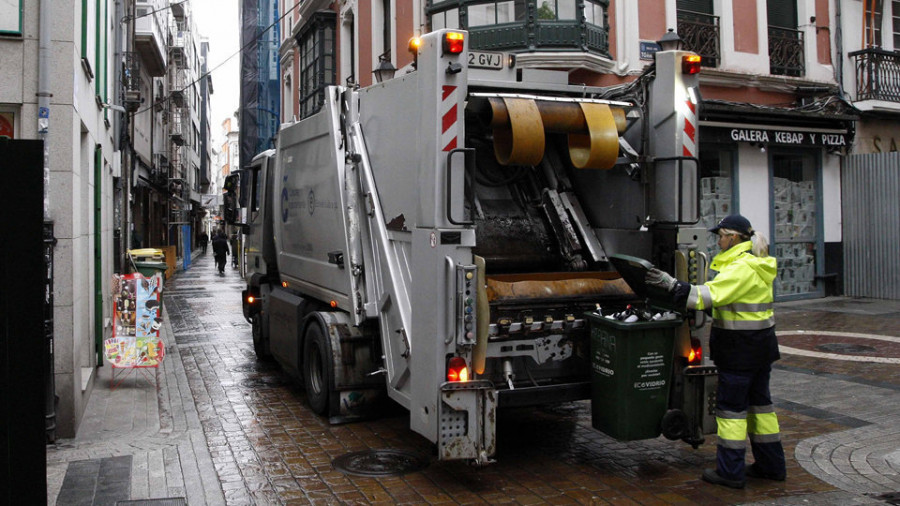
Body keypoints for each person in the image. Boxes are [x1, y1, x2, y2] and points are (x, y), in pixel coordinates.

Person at [645, 214, 786, 489]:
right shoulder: (756, 264)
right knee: (761, 410)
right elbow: (732, 301)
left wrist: (671, 284)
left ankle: (730, 473)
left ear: (733, 237)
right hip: (760, 348)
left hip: (739, 351)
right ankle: (771, 466)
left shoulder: (740, 267)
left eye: (720, 235)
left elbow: (704, 297)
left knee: (731, 412)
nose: (718, 241)